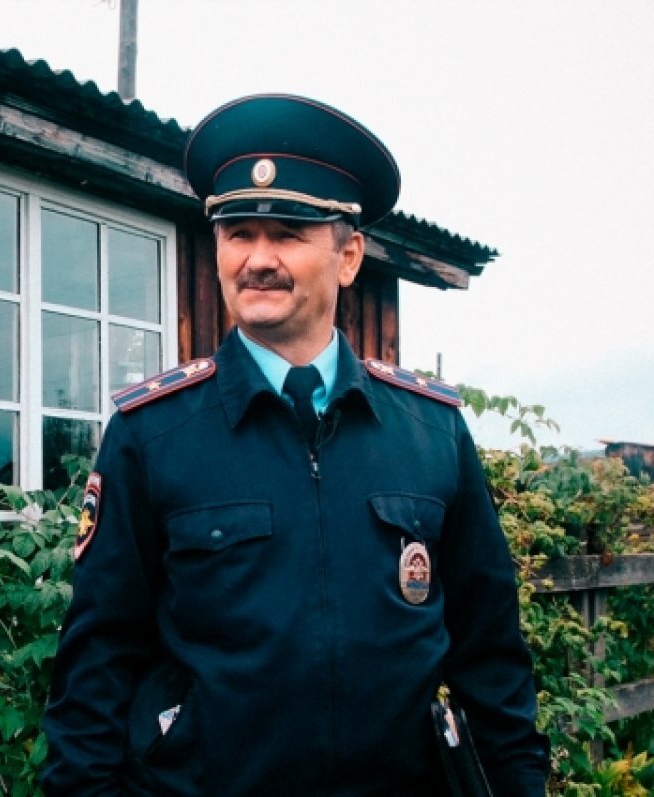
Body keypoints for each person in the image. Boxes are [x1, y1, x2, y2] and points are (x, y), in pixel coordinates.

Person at [42, 94, 549, 796]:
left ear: (348, 256)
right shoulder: (153, 433)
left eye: (287, 232)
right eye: (237, 233)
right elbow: (95, 669)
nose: (257, 259)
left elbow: (491, 659)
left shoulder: (430, 431)